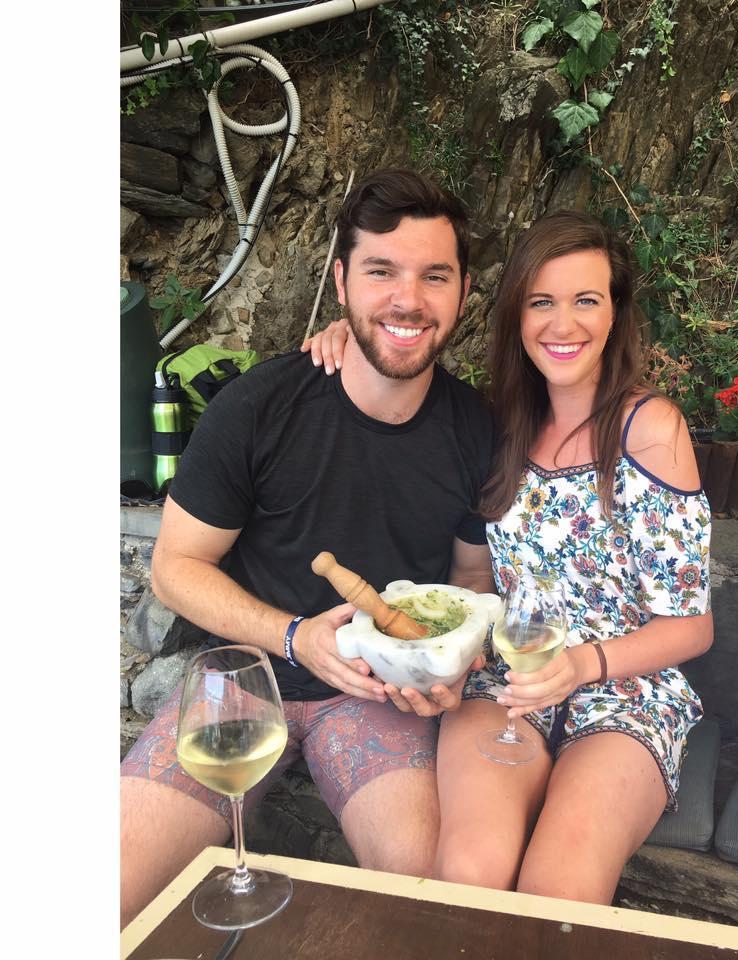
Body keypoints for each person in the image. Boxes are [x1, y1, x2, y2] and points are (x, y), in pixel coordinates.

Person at [120, 169, 495, 927]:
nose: (407, 299)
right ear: (341, 282)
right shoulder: (258, 406)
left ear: (461, 294)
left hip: (376, 700)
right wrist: (294, 638)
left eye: (435, 276)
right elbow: (174, 567)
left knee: (437, 907)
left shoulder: (476, 432)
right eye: (381, 271)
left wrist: (455, 666)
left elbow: (470, 588)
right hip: (245, 682)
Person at [306, 210, 713, 905]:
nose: (564, 324)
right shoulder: (500, 428)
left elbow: (692, 627)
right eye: (542, 302)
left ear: (615, 312)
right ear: (517, 316)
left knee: (559, 885)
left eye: (587, 300)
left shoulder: (649, 430)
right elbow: (473, 577)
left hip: (622, 691)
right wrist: (346, 330)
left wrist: (578, 666)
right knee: (469, 872)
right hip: (503, 681)